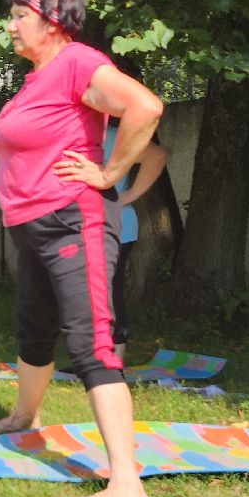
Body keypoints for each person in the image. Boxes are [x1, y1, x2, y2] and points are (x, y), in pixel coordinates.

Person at [0, 0, 163, 497]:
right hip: (34, 227)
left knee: (91, 342)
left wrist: (110, 172)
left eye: (18, 16)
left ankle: (127, 486)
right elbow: (35, 145)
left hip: (74, 221)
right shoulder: (36, 80)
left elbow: (145, 107)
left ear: (53, 21)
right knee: (34, 330)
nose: (10, 26)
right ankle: (23, 417)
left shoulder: (77, 62)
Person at [102, 121, 168, 358]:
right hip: (82, 230)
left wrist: (128, 196)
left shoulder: (111, 137)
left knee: (107, 294)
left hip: (113, 229)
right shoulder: (62, 137)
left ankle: (113, 362)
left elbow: (157, 155)